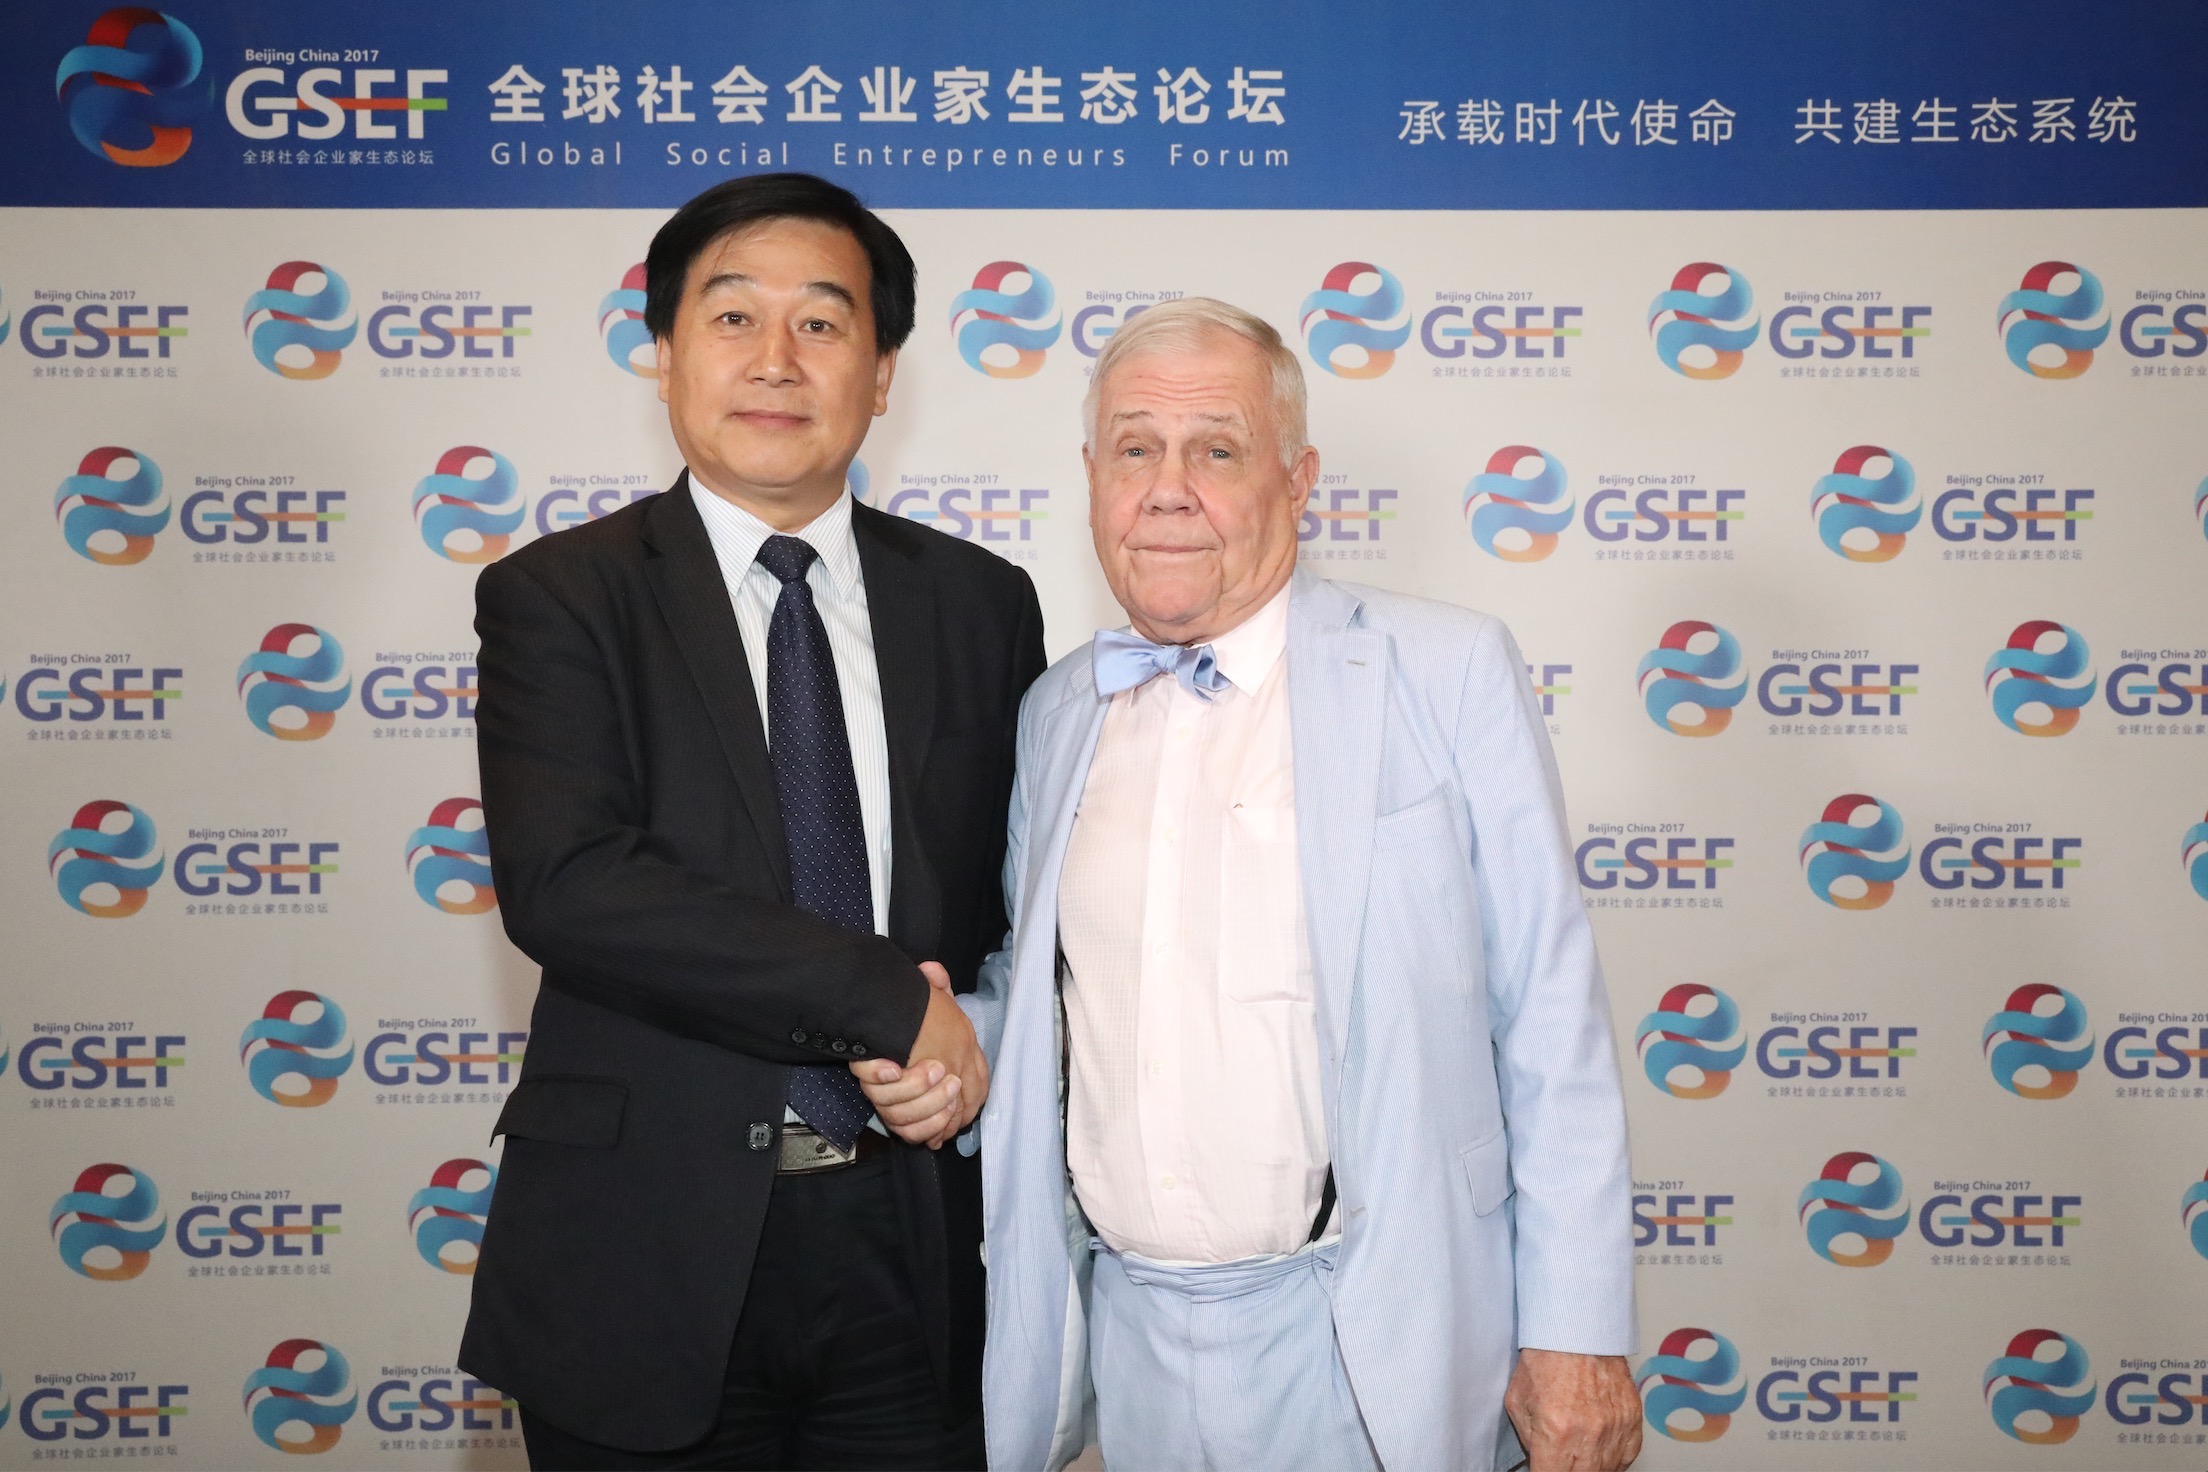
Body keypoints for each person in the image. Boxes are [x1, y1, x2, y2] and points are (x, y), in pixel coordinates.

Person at [858, 298, 1640, 1472]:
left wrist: (1576, 1330)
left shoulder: (1446, 668)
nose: (1168, 490)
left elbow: (1549, 1015)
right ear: (1092, 477)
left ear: (1298, 477)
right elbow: (1057, 990)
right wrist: (954, 1043)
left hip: (1379, 1328)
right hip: (1128, 1336)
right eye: (1135, 448)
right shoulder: (1059, 709)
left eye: (1216, 449)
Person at [459, 173, 1043, 1471]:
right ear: (664, 353)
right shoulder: (561, 595)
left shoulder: (980, 603)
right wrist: (882, 999)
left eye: (823, 323)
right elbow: (574, 882)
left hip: (916, 1246)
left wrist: (968, 1043)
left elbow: (1021, 908)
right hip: (643, 1249)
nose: (777, 359)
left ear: (881, 373)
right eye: (732, 318)